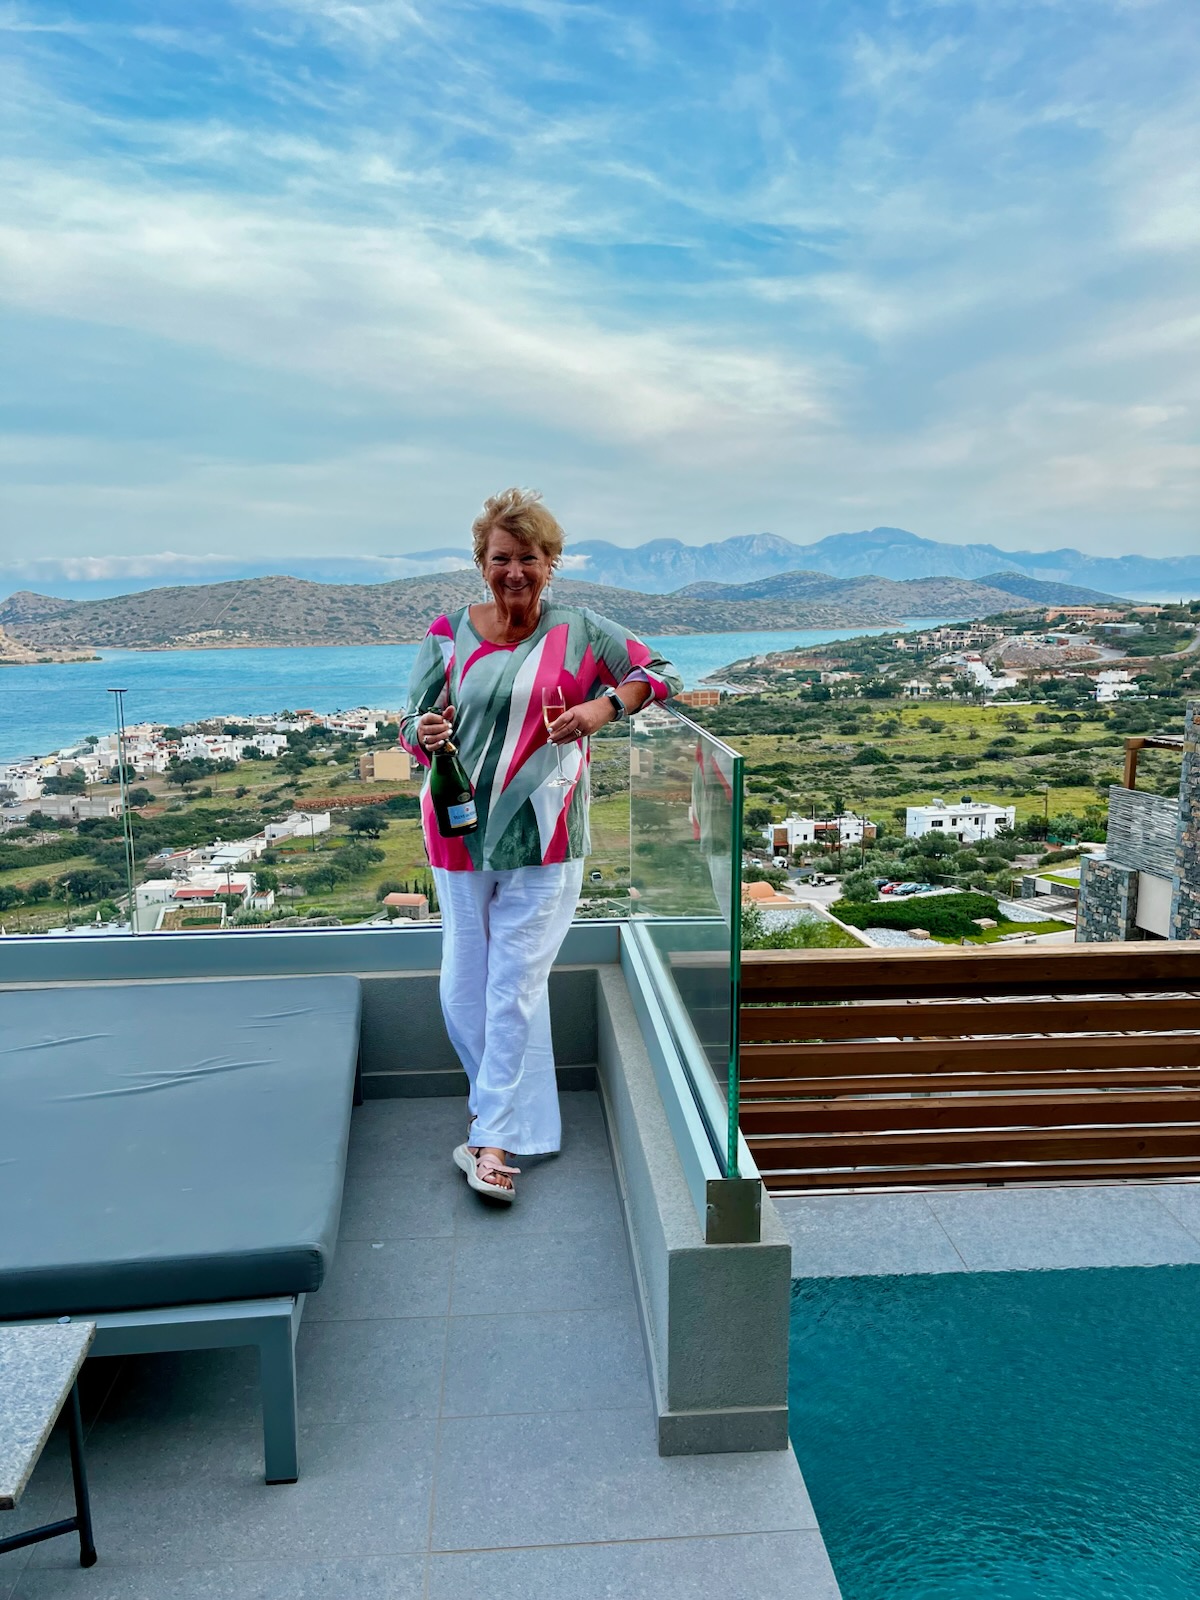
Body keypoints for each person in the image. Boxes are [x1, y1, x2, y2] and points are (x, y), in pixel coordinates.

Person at [399, 488, 682, 1201]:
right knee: (465, 991)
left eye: (529, 557)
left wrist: (601, 707)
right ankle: (516, 1122)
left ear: (551, 562)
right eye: (501, 558)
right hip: (458, 831)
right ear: (481, 562)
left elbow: (659, 674)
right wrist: (422, 734)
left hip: (547, 835)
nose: (514, 571)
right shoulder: (446, 631)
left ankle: (490, 1140)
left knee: (514, 989)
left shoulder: (582, 631)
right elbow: (408, 720)